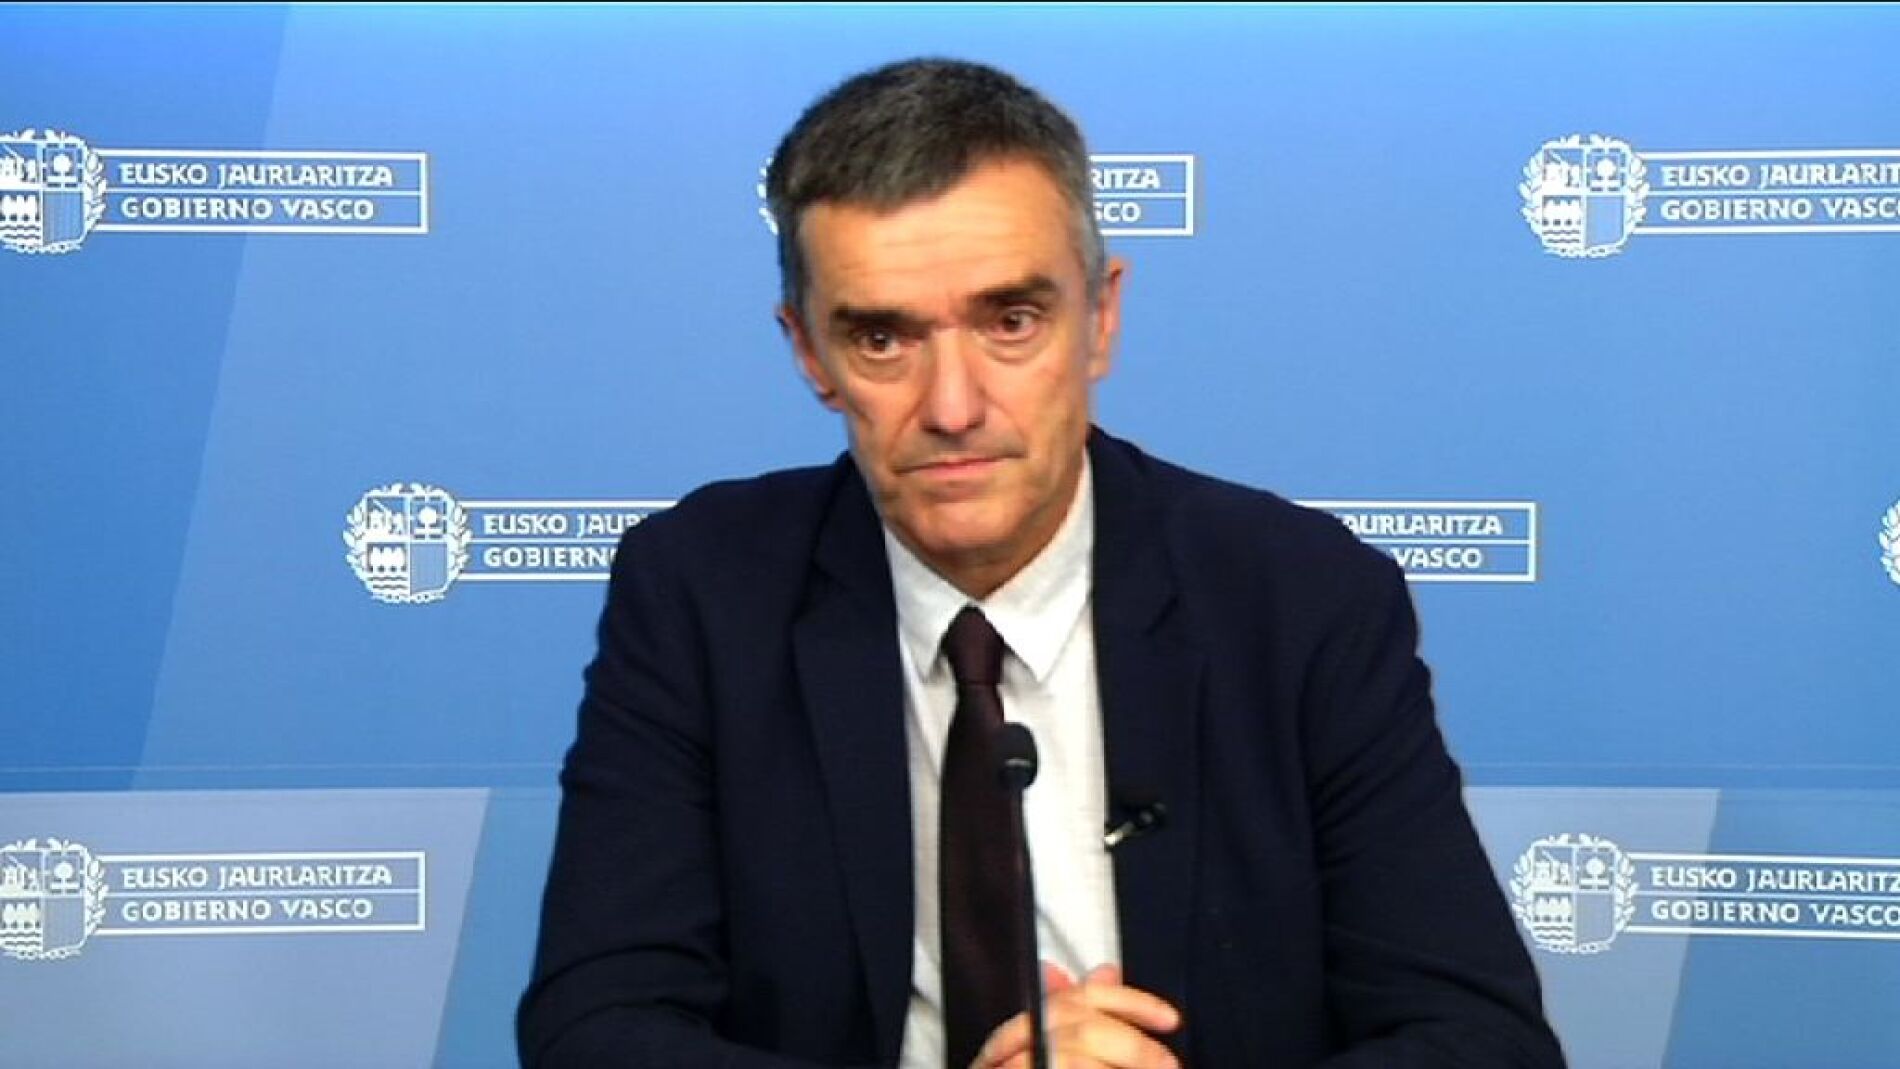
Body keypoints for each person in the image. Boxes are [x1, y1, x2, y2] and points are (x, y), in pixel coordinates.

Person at [518, 58, 1564, 1069]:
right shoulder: (702, 590)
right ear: (808, 353)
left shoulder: (1298, 597)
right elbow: (594, 1027)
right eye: (882, 340)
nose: (953, 406)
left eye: (1010, 320)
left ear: (1100, 317)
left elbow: (1484, 1038)